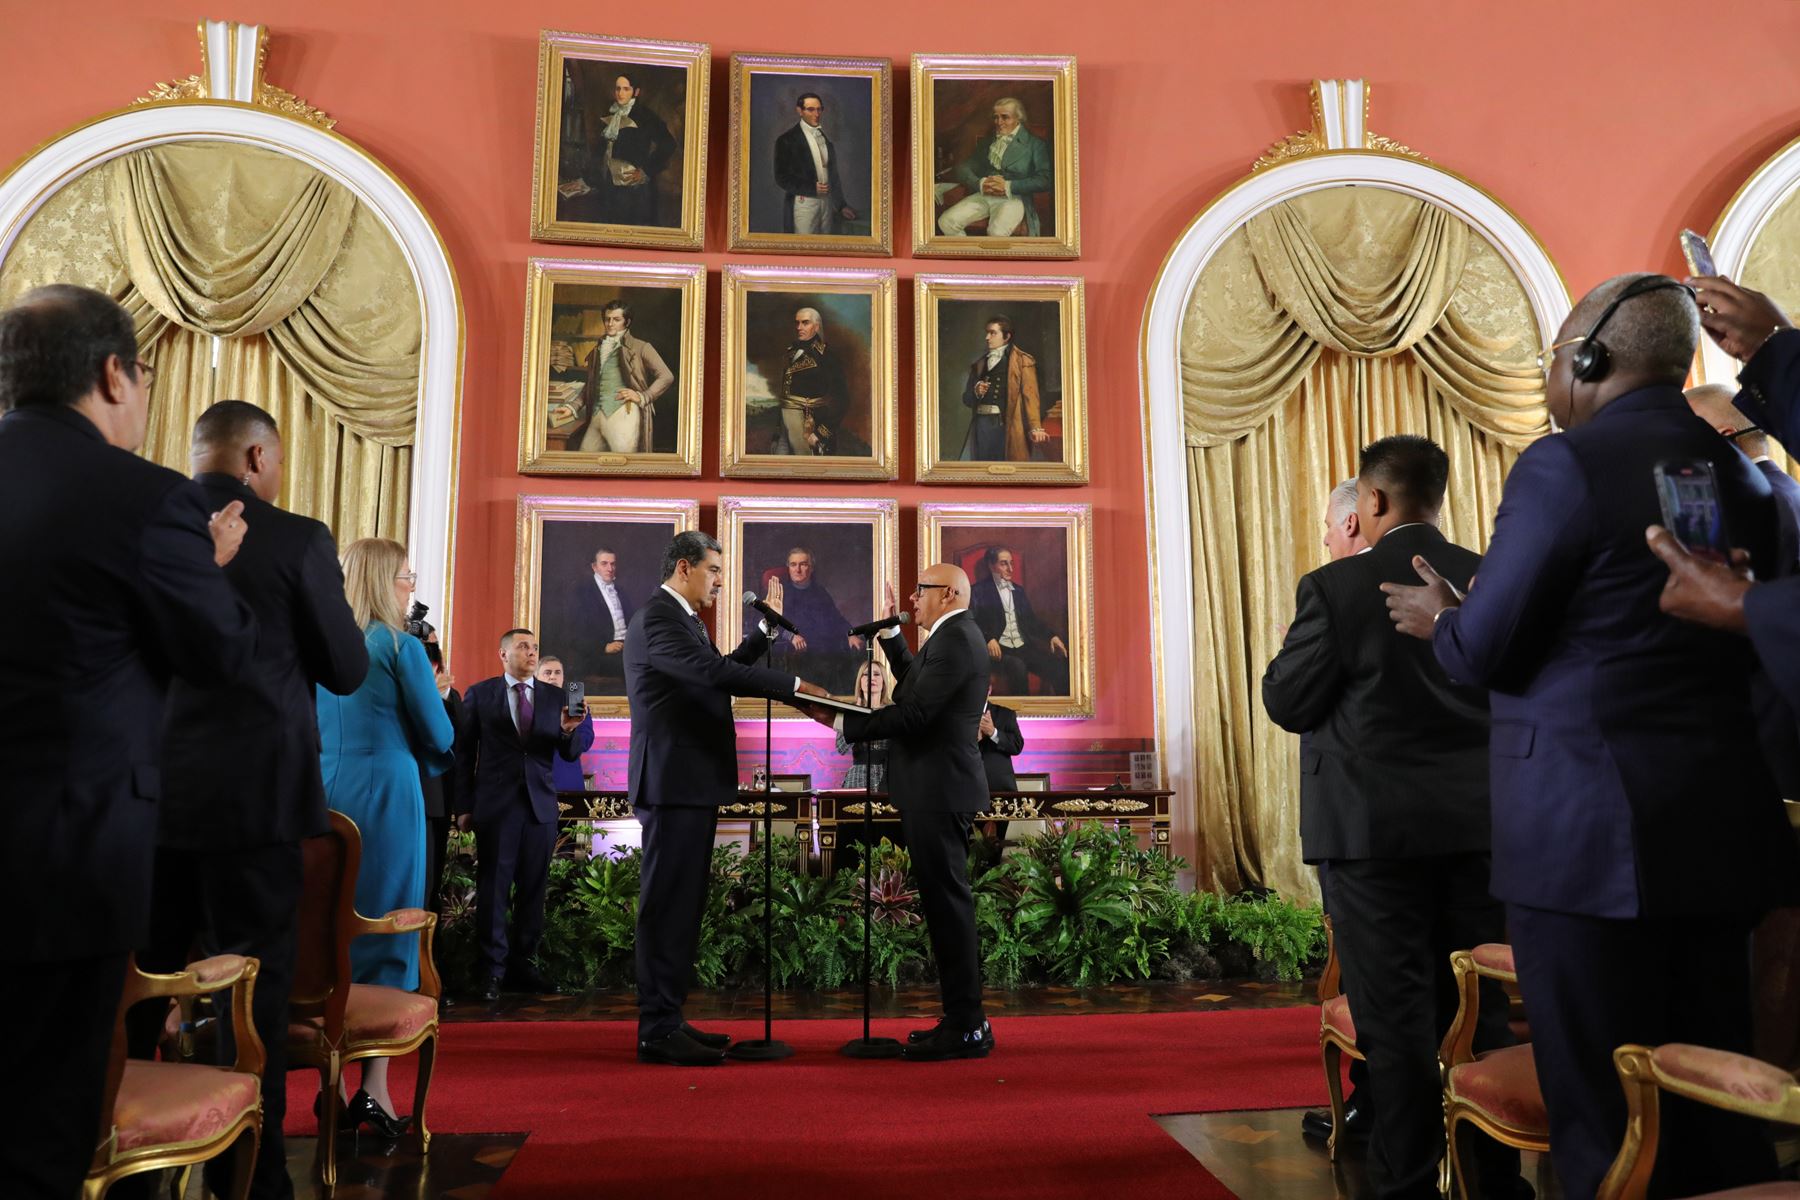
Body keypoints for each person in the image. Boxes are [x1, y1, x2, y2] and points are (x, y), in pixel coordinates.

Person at [1384, 274, 1795, 1198]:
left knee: (1601, 1117)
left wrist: (1449, 617)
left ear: (1589, 357)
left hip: (1584, 845)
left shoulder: (1562, 465)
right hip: (1721, 836)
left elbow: (1487, 651)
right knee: (1712, 1101)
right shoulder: (1747, 471)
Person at [0, 284, 256, 1200]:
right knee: (43, 1130)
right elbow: (218, 650)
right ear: (115, 374)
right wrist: (213, 569)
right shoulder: (148, 499)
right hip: (66, 859)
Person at [1264, 436, 1516, 1199]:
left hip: (1375, 841)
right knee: (1481, 1011)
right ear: (1438, 495)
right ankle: (1493, 1182)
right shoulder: (1492, 576)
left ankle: (1407, 1185)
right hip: (1481, 832)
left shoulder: (1340, 588)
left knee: (1396, 1021)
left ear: (1371, 501)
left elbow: (1287, 700)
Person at [131, 401, 368, 1200]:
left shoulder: (142, 523)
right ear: (258, 458)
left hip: (147, 799)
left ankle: (129, 1168)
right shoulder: (296, 538)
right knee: (253, 997)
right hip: (257, 801)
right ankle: (253, 1178)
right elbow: (345, 667)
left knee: (135, 992)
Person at [627, 531, 827, 1065]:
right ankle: (656, 1029)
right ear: (686, 567)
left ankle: (670, 1020)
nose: (719, 580)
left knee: (683, 907)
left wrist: (764, 633)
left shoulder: (684, 619)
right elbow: (713, 674)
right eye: (714, 571)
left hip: (689, 782)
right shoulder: (657, 618)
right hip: (672, 783)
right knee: (666, 906)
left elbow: (718, 676)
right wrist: (794, 686)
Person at [806, 569, 992, 1062]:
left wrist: (844, 719)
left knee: (949, 909)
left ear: (949, 593)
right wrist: (891, 637)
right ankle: (961, 1020)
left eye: (921, 591)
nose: (913, 599)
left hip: (939, 790)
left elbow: (912, 715)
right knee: (943, 908)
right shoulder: (950, 638)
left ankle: (968, 1025)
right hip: (934, 790)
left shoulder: (955, 640)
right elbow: (914, 690)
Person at [316, 536, 457, 1136]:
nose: (412, 587)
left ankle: (331, 1082)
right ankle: (374, 1088)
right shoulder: (399, 647)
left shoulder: (318, 646)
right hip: (390, 796)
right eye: (405, 576)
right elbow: (441, 734)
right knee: (389, 925)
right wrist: (440, 698)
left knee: (331, 927)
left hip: (324, 792)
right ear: (380, 582)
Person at [453, 629, 594, 1002]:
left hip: (540, 807)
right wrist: (463, 806)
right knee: (494, 889)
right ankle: (491, 971)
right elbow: (464, 753)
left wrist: (567, 731)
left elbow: (571, 752)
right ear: (503, 654)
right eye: (522, 647)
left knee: (534, 890)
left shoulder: (556, 696)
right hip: (496, 806)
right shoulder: (481, 694)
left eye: (534, 647)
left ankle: (523, 966)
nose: (531, 653)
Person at [1296, 477, 1374, 1146]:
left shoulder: (1332, 588)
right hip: (1465, 824)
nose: (1324, 534)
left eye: (1328, 523)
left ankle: (1373, 1112)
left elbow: (1288, 698)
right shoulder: (1472, 570)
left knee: (1373, 978)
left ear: (1355, 521)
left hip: (1361, 823)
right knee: (1460, 976)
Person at [1683, 382, 1800, 797]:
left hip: (1764, 724)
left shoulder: (1754, 505)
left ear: (1722, 437)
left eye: (1683, 431)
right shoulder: (1790, 491)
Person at [556, 301, 671, 455]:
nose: (610, 324)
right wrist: (573, 406)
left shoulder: (641, 347)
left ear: (627, 322)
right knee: (584, 461)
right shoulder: (599, 348)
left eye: (616, 320)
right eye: (607, 319)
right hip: (597, 414)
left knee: (624, 466)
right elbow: (592, 384)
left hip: (624, 415)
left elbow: (666, 376)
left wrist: (643, 396)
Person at [938, 97, 1053, 238]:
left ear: (1018, 118)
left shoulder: (1035, 145)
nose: (999, 123)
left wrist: (1008, 186)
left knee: (996, 233)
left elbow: (1046, 180)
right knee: (946, 221)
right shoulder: (988, 142)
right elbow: (963, 167)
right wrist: (980, 183)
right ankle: (970, 257)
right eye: (996, 118)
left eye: (1005, 117)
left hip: (1014, 198)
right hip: (984, 194)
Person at [757, 545, 860, 692]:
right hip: (796, 652)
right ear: (789, 568)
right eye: (793, 565)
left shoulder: (820, 591)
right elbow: (769, 622)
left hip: (825, 651)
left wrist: (851, 634)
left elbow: (836, 618)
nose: (797, 569)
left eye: (803, 564)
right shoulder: (780, 592)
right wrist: (791, 636)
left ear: (811, 568)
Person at [970, 545, 1070, 695]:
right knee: (1018, 667)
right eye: (1004, 563)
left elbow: (1032, 621)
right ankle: (1019, 716)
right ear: (991, 565)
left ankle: (1063, 711)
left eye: (1012, 563)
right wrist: (988, 638)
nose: (1010, 568)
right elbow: (972, 621)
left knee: (1058, 667)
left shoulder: (1019, 591)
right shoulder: (977, 591)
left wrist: (1052, 636)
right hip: (998, 651)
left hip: (1023, 647)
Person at [582, 73, 676, 228]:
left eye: (626, 89)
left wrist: (646, 170)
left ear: (636, 92)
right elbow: (602, 148)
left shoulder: (646, 116)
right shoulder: (611, 113)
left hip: (634, 189)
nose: (620, 93)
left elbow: (669, 144)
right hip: (609, 185)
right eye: (618, 88)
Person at [960, 315, 1047, 462]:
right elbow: (967, 400)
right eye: (987, 333)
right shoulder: (979, 364)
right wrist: (976, 392)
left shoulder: (1023, 360)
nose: (987, 337)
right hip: (981, 425)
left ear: (1006, 336)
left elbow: (1030, 396)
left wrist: (1036, 427)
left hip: (1006, 426)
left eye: (993, 333)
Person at [773, 91, 858, 235]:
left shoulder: (824, 139)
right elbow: (781, 177)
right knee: (804, 249)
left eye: (819, 109)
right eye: (811, 109)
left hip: (826, 203)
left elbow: (833, 176)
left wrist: (841, 205)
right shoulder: (786, 140)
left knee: (825, 247)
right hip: (803, 203)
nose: (816, 114)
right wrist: (812, 188)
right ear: (800, 111)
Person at [771, 306, 848, 456]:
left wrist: (820, 434)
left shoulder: (826, 356)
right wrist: (777, 433)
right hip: (785, 425)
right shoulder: (791, 352)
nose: (799, 327)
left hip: (810, 425)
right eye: (797, 323)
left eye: (805, 323)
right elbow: (784, 396)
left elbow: (842, 400)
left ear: (816, 326)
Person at [567, 545, 631, 684]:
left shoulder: (621, 591)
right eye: (604, 564)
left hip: (625, 650)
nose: (610, 568)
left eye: (613, 564)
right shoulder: (582, 592)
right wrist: (604, 647)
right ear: (594, 567)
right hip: (598, 655)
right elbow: (574, 635)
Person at [975, 686, 1024, 845]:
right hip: (963, 791)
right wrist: (969, 740)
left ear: (989, 689)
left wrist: (993, 733)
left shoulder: (1005, 714)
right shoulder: (955, 714)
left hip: (999, 794)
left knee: (994, 846)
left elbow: (1017, 746)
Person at [535, 656, 590, 792]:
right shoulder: (527, 703)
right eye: (547, 672)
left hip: (566, 778)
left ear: (563, 677)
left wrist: (569, 731)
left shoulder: (575, 703)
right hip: (535, 780)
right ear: (536, 677)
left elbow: (586, 740)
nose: (553, 677)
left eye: (557, 672)